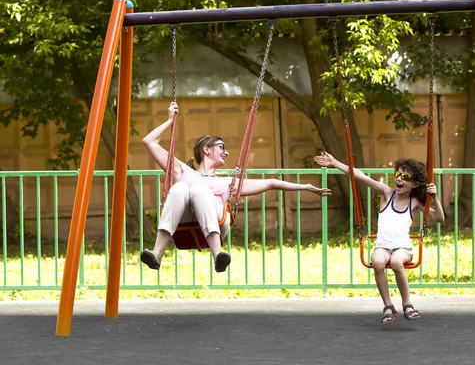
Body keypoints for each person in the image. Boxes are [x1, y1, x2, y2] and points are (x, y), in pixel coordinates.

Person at [141, 102, 331, 273]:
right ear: (206, 149)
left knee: (198, 190)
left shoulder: (228, 183)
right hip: (183, 221)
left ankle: (218, 255)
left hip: (216, 221)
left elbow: (272, 183)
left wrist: (306, 186)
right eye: (221, 147)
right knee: (180, 189)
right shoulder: (181, 171)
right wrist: (169, 121)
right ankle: (157, 254)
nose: (226, 152)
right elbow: (149, 141)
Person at [314, 152, 444, 324]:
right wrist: (335, 162)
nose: (399, 179)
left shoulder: (415, 202)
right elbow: (359, 175)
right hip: (382, 246)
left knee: (397, 262)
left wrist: (434, 198)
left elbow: (440, 218)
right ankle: (388, 306)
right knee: (377, 262)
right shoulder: (386, 193)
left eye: (405, 176)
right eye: (398, 174)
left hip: (403, 248)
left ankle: (407, 304)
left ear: (414, 184)